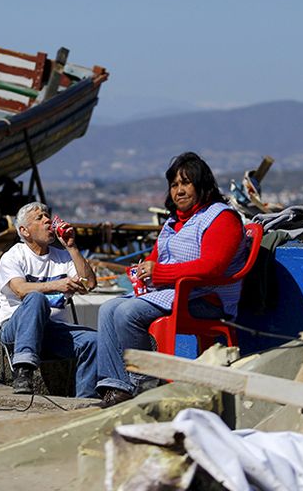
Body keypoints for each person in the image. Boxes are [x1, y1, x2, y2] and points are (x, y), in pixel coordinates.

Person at [96, 152, 248, 408]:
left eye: (186, 183)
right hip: (175, 293)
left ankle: (143, 383)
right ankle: (116, 388)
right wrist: (145, 270)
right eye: (174, 184)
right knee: (108, 308)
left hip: (207, 298)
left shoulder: (222, 218)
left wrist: (159, 274)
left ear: (201, 185)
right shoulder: (174, 222)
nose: (179, 191)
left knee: (128, 313)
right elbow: (155, 259)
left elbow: (212, 267)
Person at [0, 202, 98, 398]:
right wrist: (57, 285)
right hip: (16, 330)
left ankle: (85, 402)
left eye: (47, 216)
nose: (48, 220)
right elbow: (20, 290)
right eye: (40, 217)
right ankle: (24, 371)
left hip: (53, 331)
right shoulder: (14, 256)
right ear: (24, 231)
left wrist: (71, 247)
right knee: (36, 298)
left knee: (94, 341)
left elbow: (90, 284)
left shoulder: (63, 257)